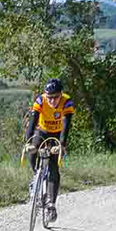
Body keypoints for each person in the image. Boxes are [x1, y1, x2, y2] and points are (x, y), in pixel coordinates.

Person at [21, 79, 76, 221]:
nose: (51, 101)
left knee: (53, 166)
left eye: (55, 97)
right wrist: (28, 142)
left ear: (61, 94)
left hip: (57, 134)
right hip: (42, 131)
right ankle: (35, 176)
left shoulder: (67, 102)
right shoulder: (40, 100)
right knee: (33, 150)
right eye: (49, 97)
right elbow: (33, 122)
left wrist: (61, 145)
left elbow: (66, 125)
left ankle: (51, 204)